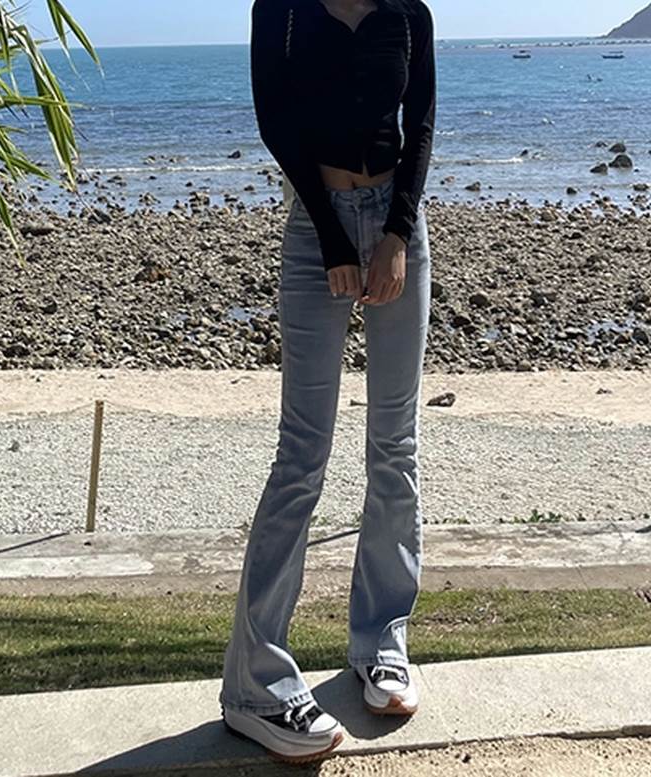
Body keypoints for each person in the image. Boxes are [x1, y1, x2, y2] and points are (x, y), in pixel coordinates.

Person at [219, 0, 436, 763]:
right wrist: (337, 236)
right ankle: (254, 686)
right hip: (317, 229)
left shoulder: (407, 11)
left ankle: (381, 642)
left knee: (395, 446)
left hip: (399, 232)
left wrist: (397, 234)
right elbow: (275, 120)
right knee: (300, 457)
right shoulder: (281, 9)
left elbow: (420, 124)